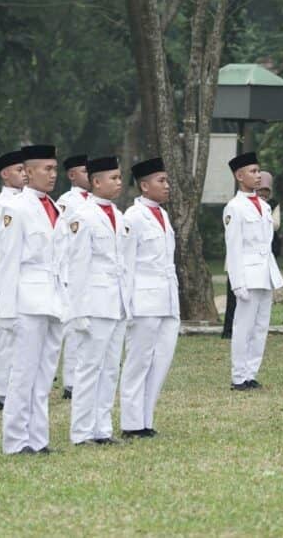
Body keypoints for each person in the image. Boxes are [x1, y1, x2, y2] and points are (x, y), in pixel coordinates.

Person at [0, 144, 66, 455]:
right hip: (26, 299)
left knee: (45, 373)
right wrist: (7, 312)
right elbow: (7, 263)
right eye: (46, 169)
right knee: (23, 373)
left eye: (54, 168)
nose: (52, 174)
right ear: (28, 171)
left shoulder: (56, 208)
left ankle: (38, 438)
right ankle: (15, 440)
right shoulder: (17, 208)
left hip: (53, 299)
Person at [62, 156, 128, 445]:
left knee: (111, 366)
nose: (118, 182)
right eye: (112, 178)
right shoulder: (83, 216)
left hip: (117, 302)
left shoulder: (119, 214)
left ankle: (102, 428)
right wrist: (78, 311)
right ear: (96, 181)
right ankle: (81, 431)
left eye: (119, 177)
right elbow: (77, 266)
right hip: (95, 302)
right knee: (89, 367)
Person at [120, 157, 179, 439]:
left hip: (166, 298)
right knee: (138, 361)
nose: (167, 186)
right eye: (161, 181)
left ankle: (146, 418)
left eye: (166, 180)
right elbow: (126, 264)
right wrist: (127, 304)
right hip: (143, 300)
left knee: (161, 360)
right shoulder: (133, 217)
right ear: (144, 186)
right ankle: (131, 422)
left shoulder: (162, 215)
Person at [223, 152, 283, 391]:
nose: (258, 176)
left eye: (259, 171)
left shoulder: (264, 206)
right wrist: (237, 282)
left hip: (265, 273)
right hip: (247, 274)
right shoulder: (234, 207)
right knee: (243, 326)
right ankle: (239, 376)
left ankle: (251, 373)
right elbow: (234, 247)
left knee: (260, 326)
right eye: (252, 172)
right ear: (239, 176)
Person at [0, 150, 27, 411]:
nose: (24, 173)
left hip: (23, 278)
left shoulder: (26, 202)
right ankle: (2, 391)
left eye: (25, 169)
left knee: (17, 336)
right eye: (19, 169)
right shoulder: (1, 206)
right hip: (4, 278)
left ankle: (10, 386)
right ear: (5, 174)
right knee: (6, 336)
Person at [55, 153, 90, 400]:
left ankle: (84, 375)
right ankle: (70, 381)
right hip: (70, 272)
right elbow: (63, 241)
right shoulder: (66, 202)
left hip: (92, 274)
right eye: (85, 172)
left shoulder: (96, 202)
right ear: (72, 175)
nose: (90, 176)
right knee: (72, 329)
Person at [258, 171, 283, 258]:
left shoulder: (273, 204)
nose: (263, 193)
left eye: (266, 190)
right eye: (260, 190)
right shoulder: (248, 203)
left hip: (270, 243)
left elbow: (276, 225)